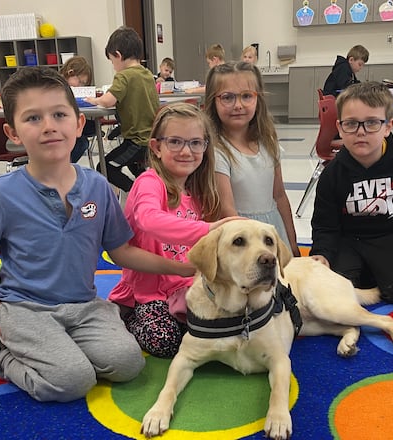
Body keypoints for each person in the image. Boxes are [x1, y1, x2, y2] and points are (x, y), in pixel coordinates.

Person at [0, 66, 195, 403]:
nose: (49, 126)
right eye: (33, 119)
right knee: (72, 380)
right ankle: (4, 351)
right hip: (26, 307)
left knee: (127, 364)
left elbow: (121, 251)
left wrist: (182, 268)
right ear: (13, 132)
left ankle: (51, 345)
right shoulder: (2, 193)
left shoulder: (97, 186)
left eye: (59, 114)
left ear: (79, 123)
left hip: (84, 306)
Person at [109, 102, 239, 358]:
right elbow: (149, 219)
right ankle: (125, 317)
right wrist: (208, 229)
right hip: (147, 294)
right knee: (165, 340)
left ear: (205, 147)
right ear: (157, 147)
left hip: (188, 287)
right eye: (175, 142)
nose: (186, 151)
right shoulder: (150, 182)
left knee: (227, 325)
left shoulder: (199, 190)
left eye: (195, 143)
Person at [310, 82, 393, 305]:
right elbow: (325, 223)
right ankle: (370, 272)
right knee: (335, 291)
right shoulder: (332, 174)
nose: (361, 132)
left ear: (388, 126)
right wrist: (322, 253)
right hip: (349, 241)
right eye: (351, 124)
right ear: (340, 127)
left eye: (372, 122)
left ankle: (382, 271)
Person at [204, 61, 301, 257]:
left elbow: (280, 196)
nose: (238, 105)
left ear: (258, 99)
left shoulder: (268, 142)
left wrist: (292, 245)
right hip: (241, 239)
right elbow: (228, 211)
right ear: (213, 101)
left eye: (246, 96)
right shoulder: (217, 150)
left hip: (272, 231)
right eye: (227, 97)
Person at [85, 27, 159, 193]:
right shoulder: (147, 74)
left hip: (136, 141)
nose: (114, 67)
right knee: (136, 168)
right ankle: (148, 191)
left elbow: (108, 101)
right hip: (150, 139)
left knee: (105, 167)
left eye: (112, 62)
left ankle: (136, 194)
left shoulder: (124, 75)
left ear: (118, 55)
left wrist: (94, 100)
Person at [60, 55, 97, 163]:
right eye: (80, 82)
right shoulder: (57, 85)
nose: (81, 86)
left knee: (94, 127)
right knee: (82, 142)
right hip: (59, 124)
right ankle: (63, 166)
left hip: (69, 120)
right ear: (70, 72)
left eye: (84, 84)